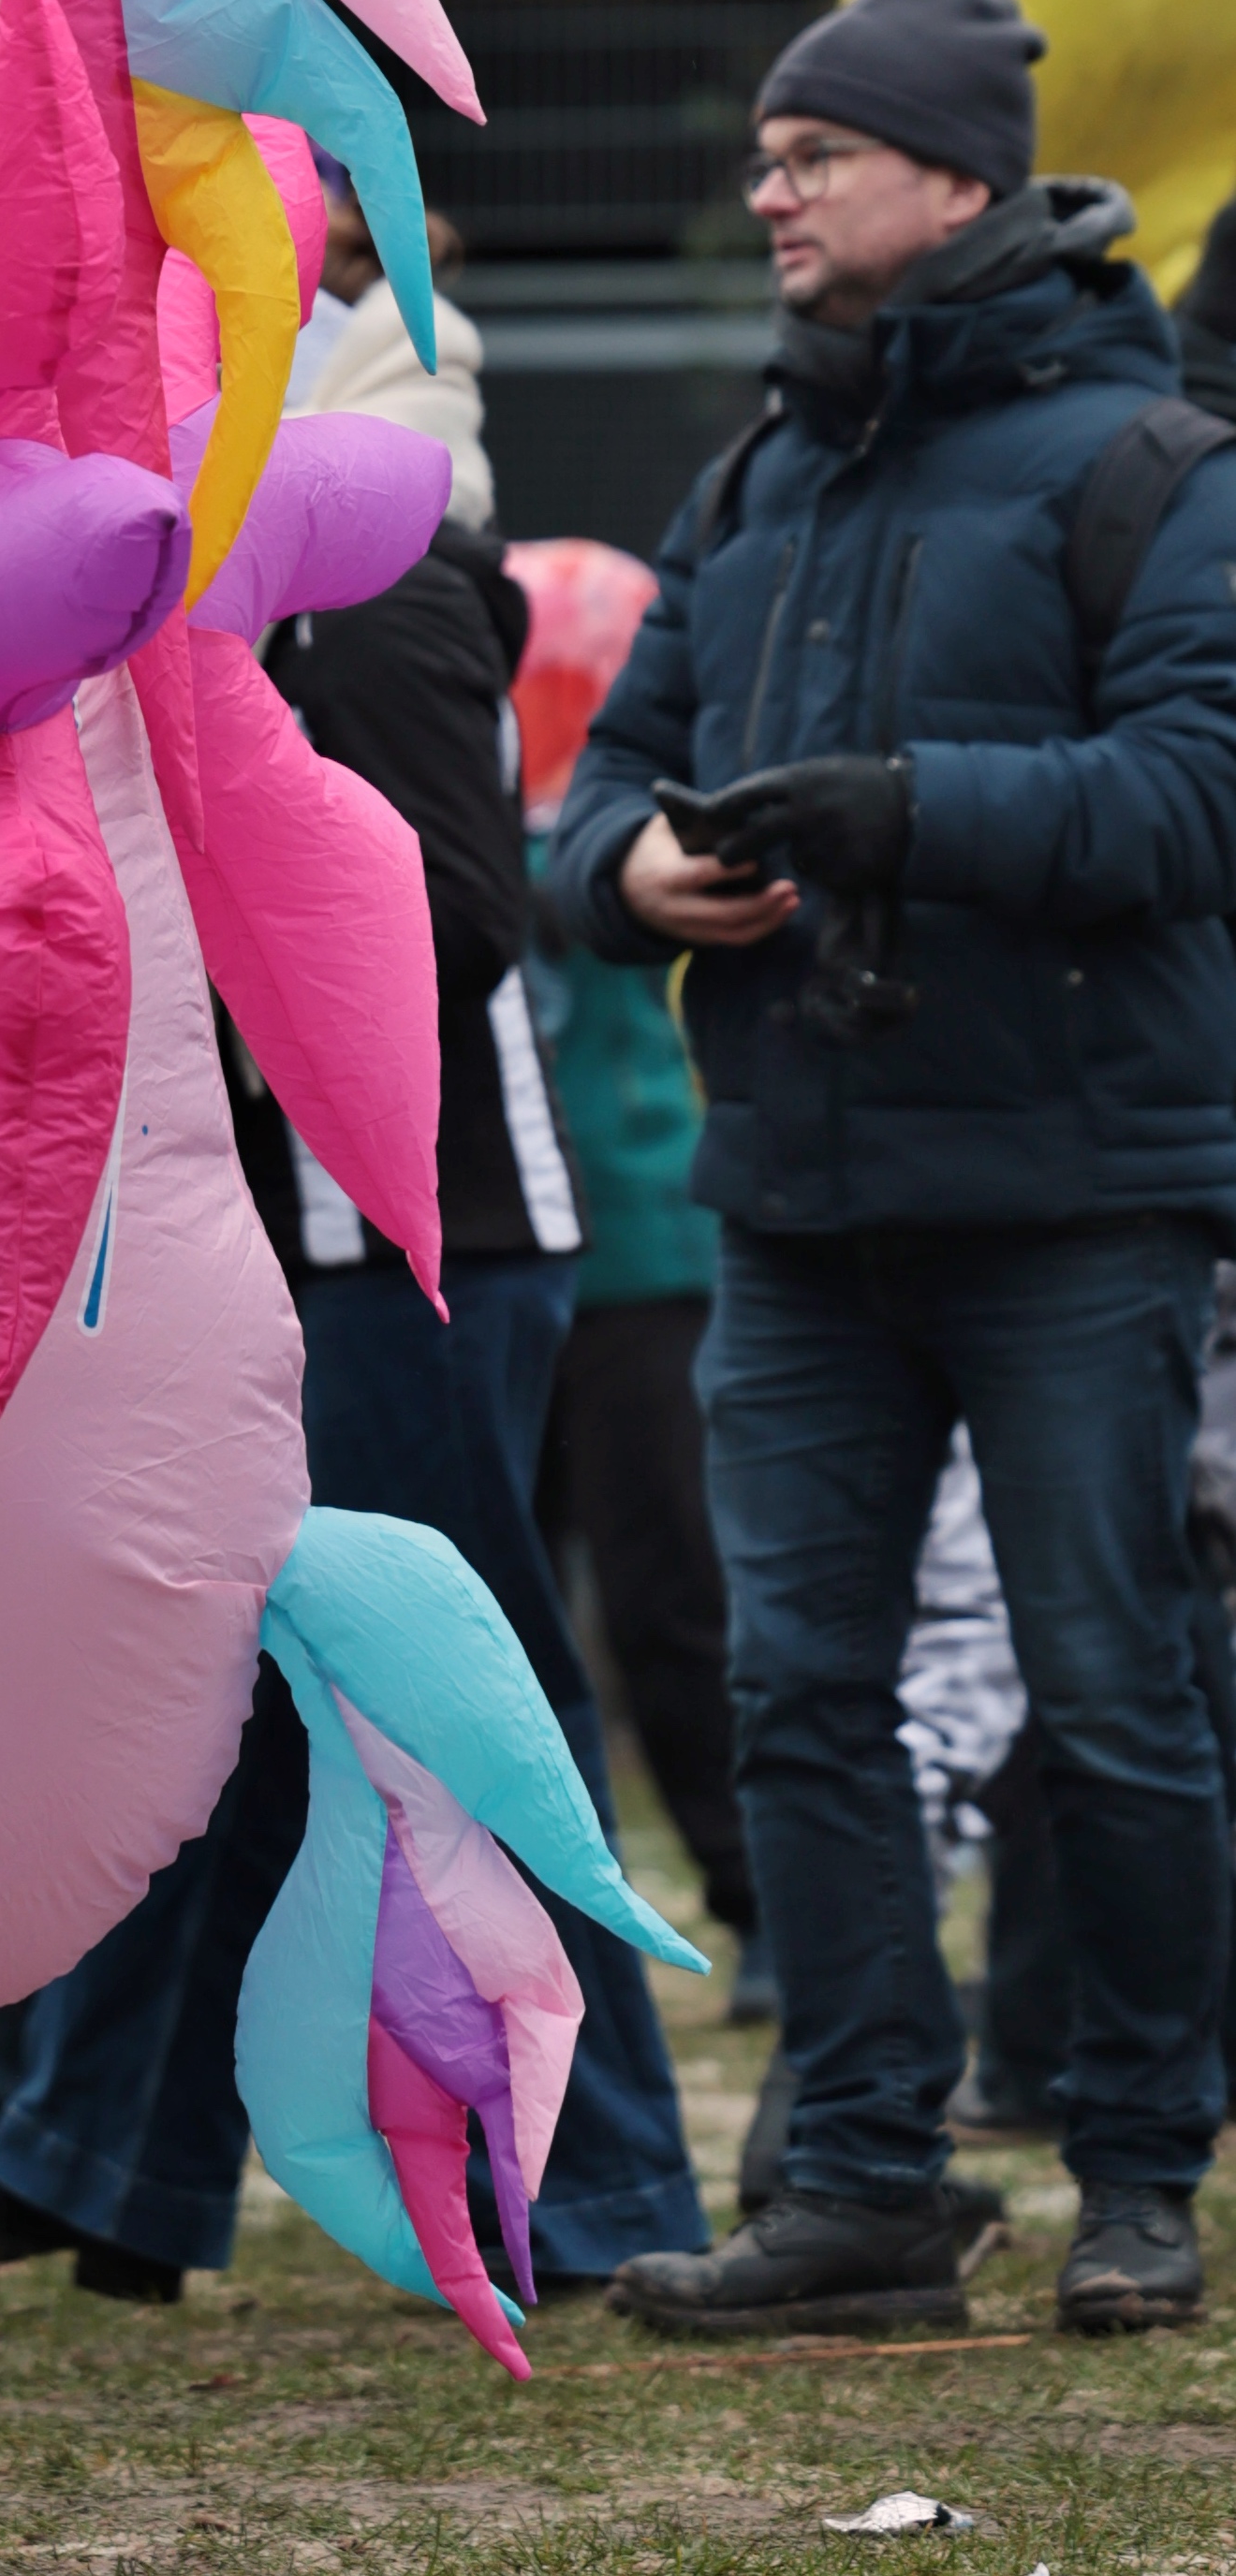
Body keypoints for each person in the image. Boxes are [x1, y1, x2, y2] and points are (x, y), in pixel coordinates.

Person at [555, 0, 1236, 2342]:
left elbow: (1191, 797)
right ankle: (856, 2181)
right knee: (793, 1694)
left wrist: (901, 815)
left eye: (810, 153)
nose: (768, 190)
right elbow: (587, 804)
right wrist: (638, 877)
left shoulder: (1157, 469)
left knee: (1112, 1689)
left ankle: (1140, 2171)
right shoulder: (751, 474)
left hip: (1073, 1203)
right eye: (763, 153)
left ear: (950, 178)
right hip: (802, 1203)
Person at [0, 282, 708, 2305]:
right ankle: (112, 2162)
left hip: (420, 1245)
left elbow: (455, 924)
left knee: (465, 1701)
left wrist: (192, 916)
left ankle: (609, 2187)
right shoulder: (170, 619)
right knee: (207, 1694)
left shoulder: (396, 599)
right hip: (254, 1238)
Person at [508, 534, 763, 2014]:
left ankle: (754, 1902)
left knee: (673, 1597)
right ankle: (559, 1915)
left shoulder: (643, 829)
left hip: (644, 1251)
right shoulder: (498, 819)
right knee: (529, 1596)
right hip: (521, 1251)